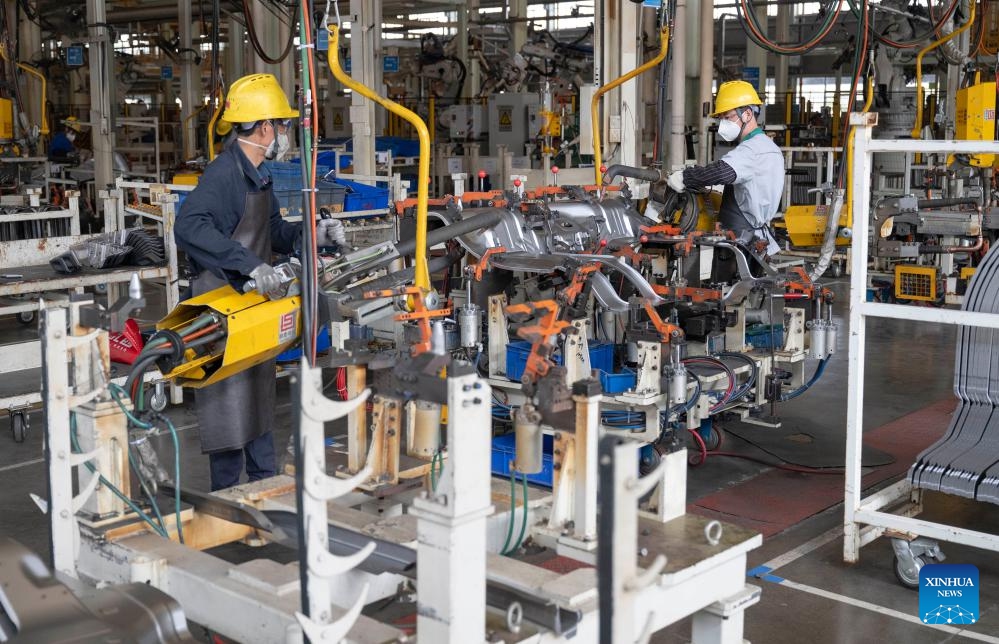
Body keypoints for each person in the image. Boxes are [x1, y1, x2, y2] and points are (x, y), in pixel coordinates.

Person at [174, 73, 345, 491]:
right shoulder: (224, 175)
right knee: (229, 410)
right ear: (265, 127)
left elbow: (273, 231)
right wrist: (250, 266)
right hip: (222, 308)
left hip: (254, 305)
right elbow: (189, 226)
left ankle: (265, 486)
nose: (284, 134)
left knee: (258, 400)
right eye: (283, 125)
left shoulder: (258, 174)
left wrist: (312, 234)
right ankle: (230, 499)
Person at [667, 80, 785, 256]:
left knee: (729, 284)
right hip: (755, 236)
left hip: (740, 239)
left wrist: (684, 177)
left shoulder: (752, 149)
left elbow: (722, 172)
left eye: (728, 117)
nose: (723, 124)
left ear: (747, 114)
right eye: (721, 118)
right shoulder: (770, 147)